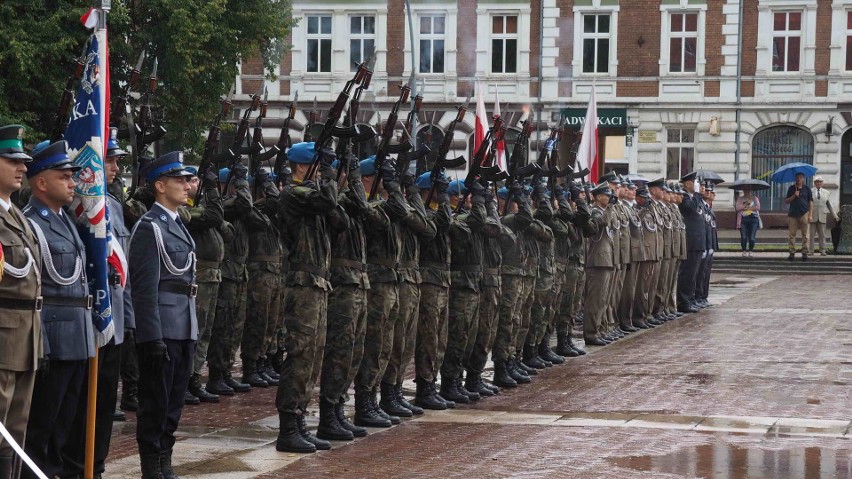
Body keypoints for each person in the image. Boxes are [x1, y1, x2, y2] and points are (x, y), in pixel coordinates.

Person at [62, 130, 136, 478]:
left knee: (106, 402)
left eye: (117, 161)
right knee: (79, 405)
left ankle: (99, 464)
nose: (115, 168)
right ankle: (78, 467)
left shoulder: (116, 207)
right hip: (87, 320)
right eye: (108, 160)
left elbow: (124, 268)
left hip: (114, 320)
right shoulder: (77, 207)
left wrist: (130, 322)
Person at [21, 140, 94, 479]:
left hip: (76, 337)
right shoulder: (31, 223)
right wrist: (42, 344)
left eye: (72, 177)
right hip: (52, 336)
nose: (72, 183)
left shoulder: (65, 220)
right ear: (40, 183)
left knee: (64, 427)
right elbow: (32, 288)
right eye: (64, 177)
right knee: (41, 428)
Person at [128, 152, 198, 479]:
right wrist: (151, 335)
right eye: (179, 180)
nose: (187, 185)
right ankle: (152, 466)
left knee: (174, 401)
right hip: (163, 326)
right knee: (156, 401)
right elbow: (144, 288)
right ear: (159, 185)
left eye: (187, 180)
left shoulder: (177, 223)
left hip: (184, 324)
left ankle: (165, 460)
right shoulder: (149, 227)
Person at [275, 142, 338, 453]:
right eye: (318, 164)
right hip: (302, 283)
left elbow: (339, 216)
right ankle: (287, 427)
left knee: (313, 357)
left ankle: (300, 420)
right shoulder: (293, 193)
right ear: (302, 166)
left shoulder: (311, 197)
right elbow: (327, 199)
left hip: (318, 283)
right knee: (300, 355)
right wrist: (328, 172)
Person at [0, 125, 41, 479]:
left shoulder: (17, 215)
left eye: (23, 160)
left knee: (15, 431)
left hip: (25, 337)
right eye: (12, 160)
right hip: (3, 337)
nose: (23, 167)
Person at [181, 165, 225, 405]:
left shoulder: (199, 209)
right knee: (195, 331)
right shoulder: (184, 211)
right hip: (200, 276)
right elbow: (215, 217)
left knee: (205, 331)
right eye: (191, 180)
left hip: (212, 276)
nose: (194, 184)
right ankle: (186, 380)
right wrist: (212, 189)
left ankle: (195, 378)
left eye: (197, 180)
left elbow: (224, 228)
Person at [784, 172, 813, 261]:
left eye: (801, 177)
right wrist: (794, 195)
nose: (799, 179)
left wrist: (810, 215)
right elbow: (787, 201)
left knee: (805, 235)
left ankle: (805, 252)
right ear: (795, 178)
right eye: (797, 177)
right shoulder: (791, 188)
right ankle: (792, 252)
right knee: (792, 235)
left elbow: (810, 202)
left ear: (803, 179)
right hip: (792, 214)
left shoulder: (807, 189)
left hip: (804, 213)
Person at [808, 176, 838, 256]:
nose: (819, 183)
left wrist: (835, 215)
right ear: (814, 183)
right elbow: (808, 204)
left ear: (822, 183)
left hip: (822, 216)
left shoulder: (826, 192)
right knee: (811, 235)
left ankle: (823, 250)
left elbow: (829, 205)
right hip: (812, 216)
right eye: (817, 182)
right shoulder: (810, 191)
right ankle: (811, 251)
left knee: (822, 235)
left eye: (820, 182)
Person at [736, 186, 761, 257]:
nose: (747, 191)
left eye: (748, 190)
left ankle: (751, 251)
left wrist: (750, 208)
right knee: (744, 236)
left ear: (751, 190)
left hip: (753, 219)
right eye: (745, 189)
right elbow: (738, 208)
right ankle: (744, 251)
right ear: (743, 190)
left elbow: (758, 207)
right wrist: (745, 206)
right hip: (743, 219)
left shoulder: (754, 198)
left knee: (752, 237)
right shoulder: (740, 198)